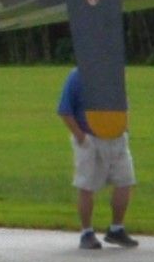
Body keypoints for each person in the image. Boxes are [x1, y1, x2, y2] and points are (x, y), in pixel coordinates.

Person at [60, 68, 142, 249]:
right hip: (90, 137)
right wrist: (81, 137)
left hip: (117, 137)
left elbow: (122, 104)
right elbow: (65, 110)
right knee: (86, 185)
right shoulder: (77, 76)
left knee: (125, 181)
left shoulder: (116, 74)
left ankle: (116, 229)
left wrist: (124, 127)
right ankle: (86, 232)